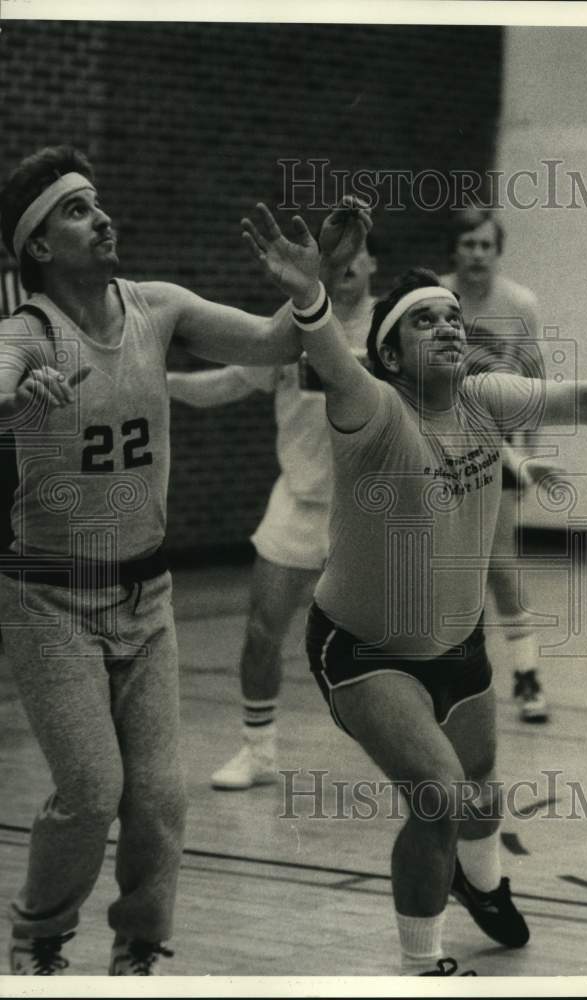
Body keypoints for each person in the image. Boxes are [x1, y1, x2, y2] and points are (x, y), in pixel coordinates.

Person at [241, 200, 587, 975]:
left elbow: (585, 399)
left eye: (451, 317)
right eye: (425, 321)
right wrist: (309, 294)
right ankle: (421, 961)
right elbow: (331, 357)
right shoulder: (371, 409)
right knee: (439, 797)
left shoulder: (482, 398)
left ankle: (485, 887)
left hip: (458, 644)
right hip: (367, 652)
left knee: (481, 794)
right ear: (392, 355)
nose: (448, 326)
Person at [0, 145, 308, 976]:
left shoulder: (158, 307)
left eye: (97, 202)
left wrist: (308, 291)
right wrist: (15, 396)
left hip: (148, 596)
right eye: (75, 210)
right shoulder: (26, 333)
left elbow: (279, 345)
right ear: (37, 248)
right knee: (93, 790)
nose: (101, 218)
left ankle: (137, 951)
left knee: (161, 798)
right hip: (49, 600)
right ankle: (38, 940)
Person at [167, 236, 377, 789]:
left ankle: (429, 757)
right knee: (262, 631)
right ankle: (258, 753)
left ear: (374, 262)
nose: (349, 263)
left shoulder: (392, 328)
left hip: (372, 511)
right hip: (299, 502)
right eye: (339, 253)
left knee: (406, 642)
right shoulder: (292, 328)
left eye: (359, 252)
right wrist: (157, 384)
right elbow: (229, 383)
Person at [441, 207, 549, 723]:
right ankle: (447, 675)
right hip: (438, 445)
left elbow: (532, 383)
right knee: (443, 565)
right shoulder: (435, 299)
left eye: (486, 245)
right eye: (469, 244)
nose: (478, 254)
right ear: (455, 249)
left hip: (496, 445)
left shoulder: (520, 304)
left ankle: (527, 675)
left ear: (497, 251)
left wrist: (528, 454)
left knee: (499, 563)